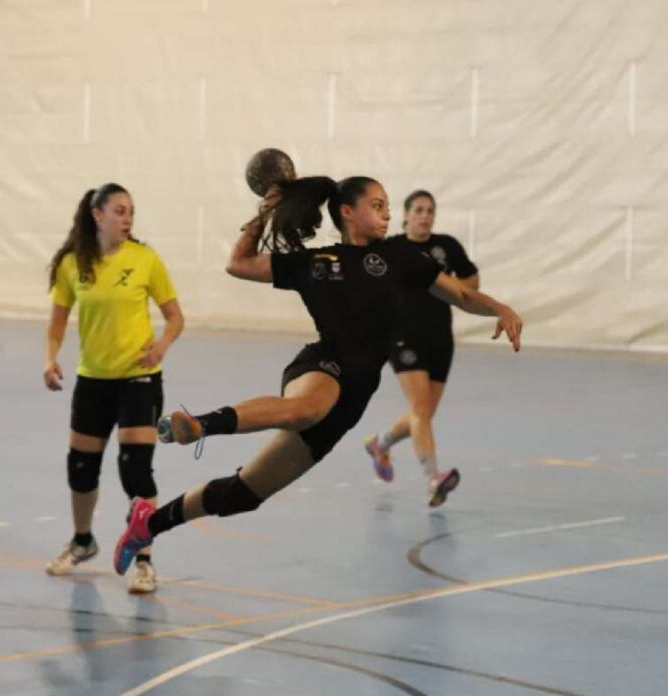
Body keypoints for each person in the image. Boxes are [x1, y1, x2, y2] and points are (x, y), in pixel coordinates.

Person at [112, 176, 521, 575]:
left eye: (387, 207)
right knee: (305, 409)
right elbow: (238, 263)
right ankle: (201, 424)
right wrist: (265, 212)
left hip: (354, 399)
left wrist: (500, 308)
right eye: (376, 206)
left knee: (243, 494)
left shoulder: (403, 257)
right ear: (347, 212)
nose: (385, 214)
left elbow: (464, 295)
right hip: (323, 366)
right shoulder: (317, 263)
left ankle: (147, 523)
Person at [44, 183, 183, 594]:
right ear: (97, 215)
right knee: (81, 468)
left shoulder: (145, 260)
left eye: (131, 212)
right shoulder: (73, 265)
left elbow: (175, 317)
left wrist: (160, 345)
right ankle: (83, 540)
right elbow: (56, 322)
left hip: (138, 378)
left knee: (135, 468)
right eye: (119, 211)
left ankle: (144, 559)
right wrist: (50, 359)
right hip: (92, 380)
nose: (127, 219)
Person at [365, 190, 480, 506]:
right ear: (405, 215)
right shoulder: (392, 250)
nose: (425, 215)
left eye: (430, 210)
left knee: (424, 413)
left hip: (440, 338)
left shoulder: (447, 247)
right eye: (418, 210)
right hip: (402, 337)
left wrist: (450, 288)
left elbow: (472, 282)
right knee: (420, 409)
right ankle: (433, 478)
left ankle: (380, 443)